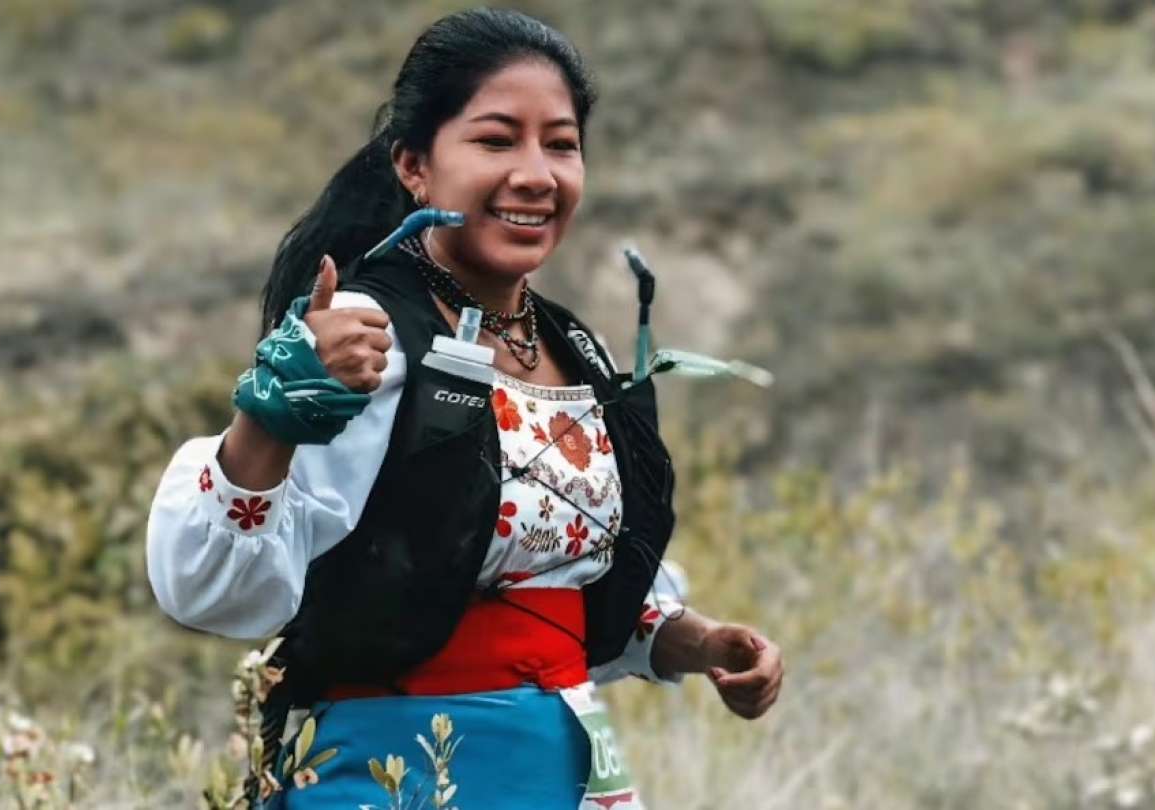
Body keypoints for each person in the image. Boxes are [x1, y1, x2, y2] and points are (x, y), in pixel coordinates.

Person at [146, 8, 783, 809]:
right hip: (399, 773)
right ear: (415, 165)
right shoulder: (368, 337)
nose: (535, 172)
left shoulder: (573, 348)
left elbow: (567, 591)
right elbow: (215, 591)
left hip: (567, 772)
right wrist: (270, 416)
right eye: (495, 140)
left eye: (561, 143)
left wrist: (695, 642)